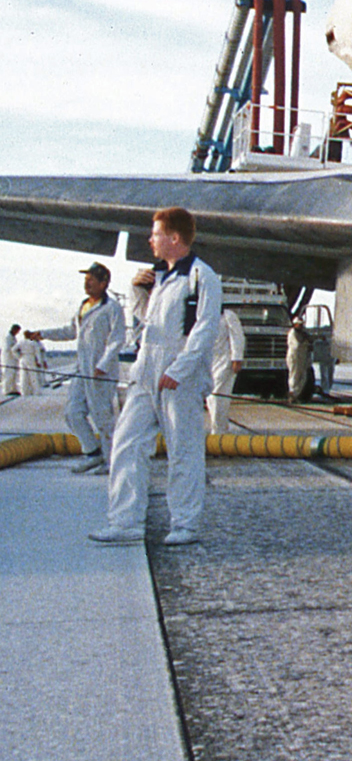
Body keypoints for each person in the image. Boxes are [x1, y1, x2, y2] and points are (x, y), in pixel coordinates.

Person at [90, 207, 221, 546]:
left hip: (179, 375)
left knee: (184, 449)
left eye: (156, 234)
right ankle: (125, 522)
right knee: (126, 443)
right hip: (145, 372)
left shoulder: (202, 277)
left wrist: (179, 370)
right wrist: (137, 292)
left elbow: (205, 330)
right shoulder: (159, 276)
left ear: (174, 238)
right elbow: (147, 324)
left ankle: (185, 524)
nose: (150, 240)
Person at [32, 261, 126, 474]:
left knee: (102, 416)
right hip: (82, 368)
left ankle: (112, 463)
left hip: (101, 370)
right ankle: (93, 453)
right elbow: (71, 331)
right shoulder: (84, 306)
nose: (87, 284)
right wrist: (44, 334)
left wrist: (103, 364)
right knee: (73, 412)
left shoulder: (111, 308)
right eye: (86, 280)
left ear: (104, 283)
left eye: (92, 279)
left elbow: (117, 339)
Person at [208, 307, 245, 436]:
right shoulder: (206, 315)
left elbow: (237, 337)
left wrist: (237, 358)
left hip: (225, 361)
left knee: (217, 395)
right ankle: (219, 427)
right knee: (211, 397)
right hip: (211, 361)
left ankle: (218, 430)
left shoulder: (228, 315)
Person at [287, 317, 313, 403]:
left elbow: (309, 344)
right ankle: (293, 394)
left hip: (302, 357)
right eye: (299, 324)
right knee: (294, 375)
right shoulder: (293, 333)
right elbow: (297, 345)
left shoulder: (303, 333)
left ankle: (296, 394)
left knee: (303, 377)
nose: (300, 326)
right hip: (295, 357)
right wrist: (305, 341)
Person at [2, 324, 20, 396]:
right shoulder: (8, 338)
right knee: (8, 374)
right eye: (17, 331)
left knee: (13, 374)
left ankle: (13, 389)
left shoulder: (13, 337)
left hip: (13, 359)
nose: (17, 333)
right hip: (8, 359)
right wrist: (18, 356)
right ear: (14, 329)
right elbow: (11, 349)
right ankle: (7, 390)